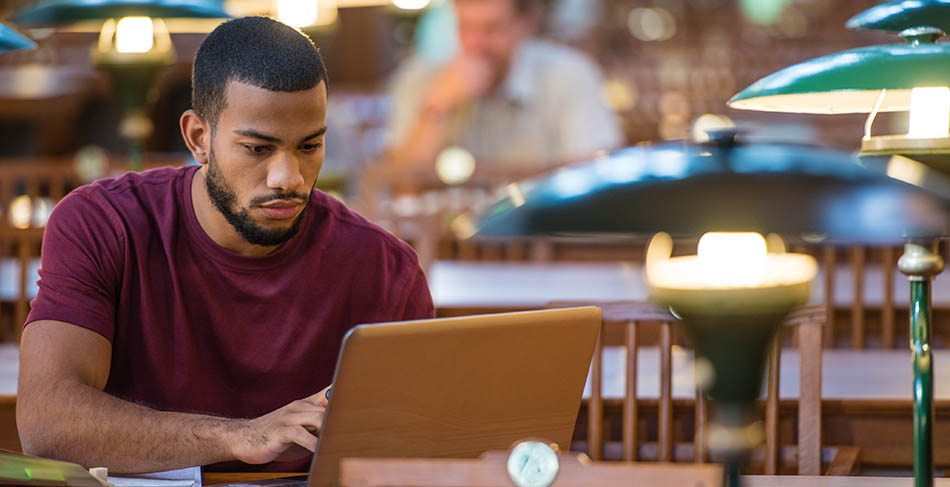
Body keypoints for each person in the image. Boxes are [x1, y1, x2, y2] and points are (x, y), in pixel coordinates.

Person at [15, 17, 434, 474]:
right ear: (199, 137)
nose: (287, 178)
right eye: (257, 148)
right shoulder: (102, 224)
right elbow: (47, 425)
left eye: (309, 146)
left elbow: (424, 444)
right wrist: (242, 436)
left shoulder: (385, 268)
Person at [386, 0, 623, 169]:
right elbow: (397, 184)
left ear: (526, 23)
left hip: (542, 234)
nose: (476, 43)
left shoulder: (569, 75)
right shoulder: (419, 80)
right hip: (443, 238)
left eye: (492, 29)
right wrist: (437, 109)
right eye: (465, 27)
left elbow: (594, 178)